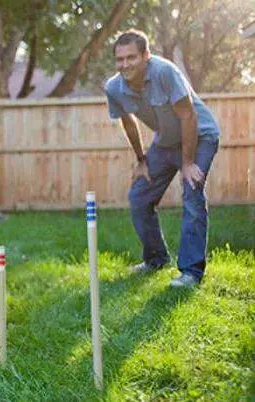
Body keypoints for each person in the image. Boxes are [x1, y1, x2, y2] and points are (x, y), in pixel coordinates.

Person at [104, 29, 220, 287]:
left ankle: (191, 272)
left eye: (131, 57)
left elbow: (188, 116)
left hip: (200, 136)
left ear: (146, 55)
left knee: (192, 193)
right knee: (139, 197)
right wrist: (141, 160)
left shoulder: (164, 72)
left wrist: (187, 163)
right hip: (165, 142)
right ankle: (156, 259)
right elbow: (128, 122)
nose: (125, 64)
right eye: (119, 59)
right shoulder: (114, 88)